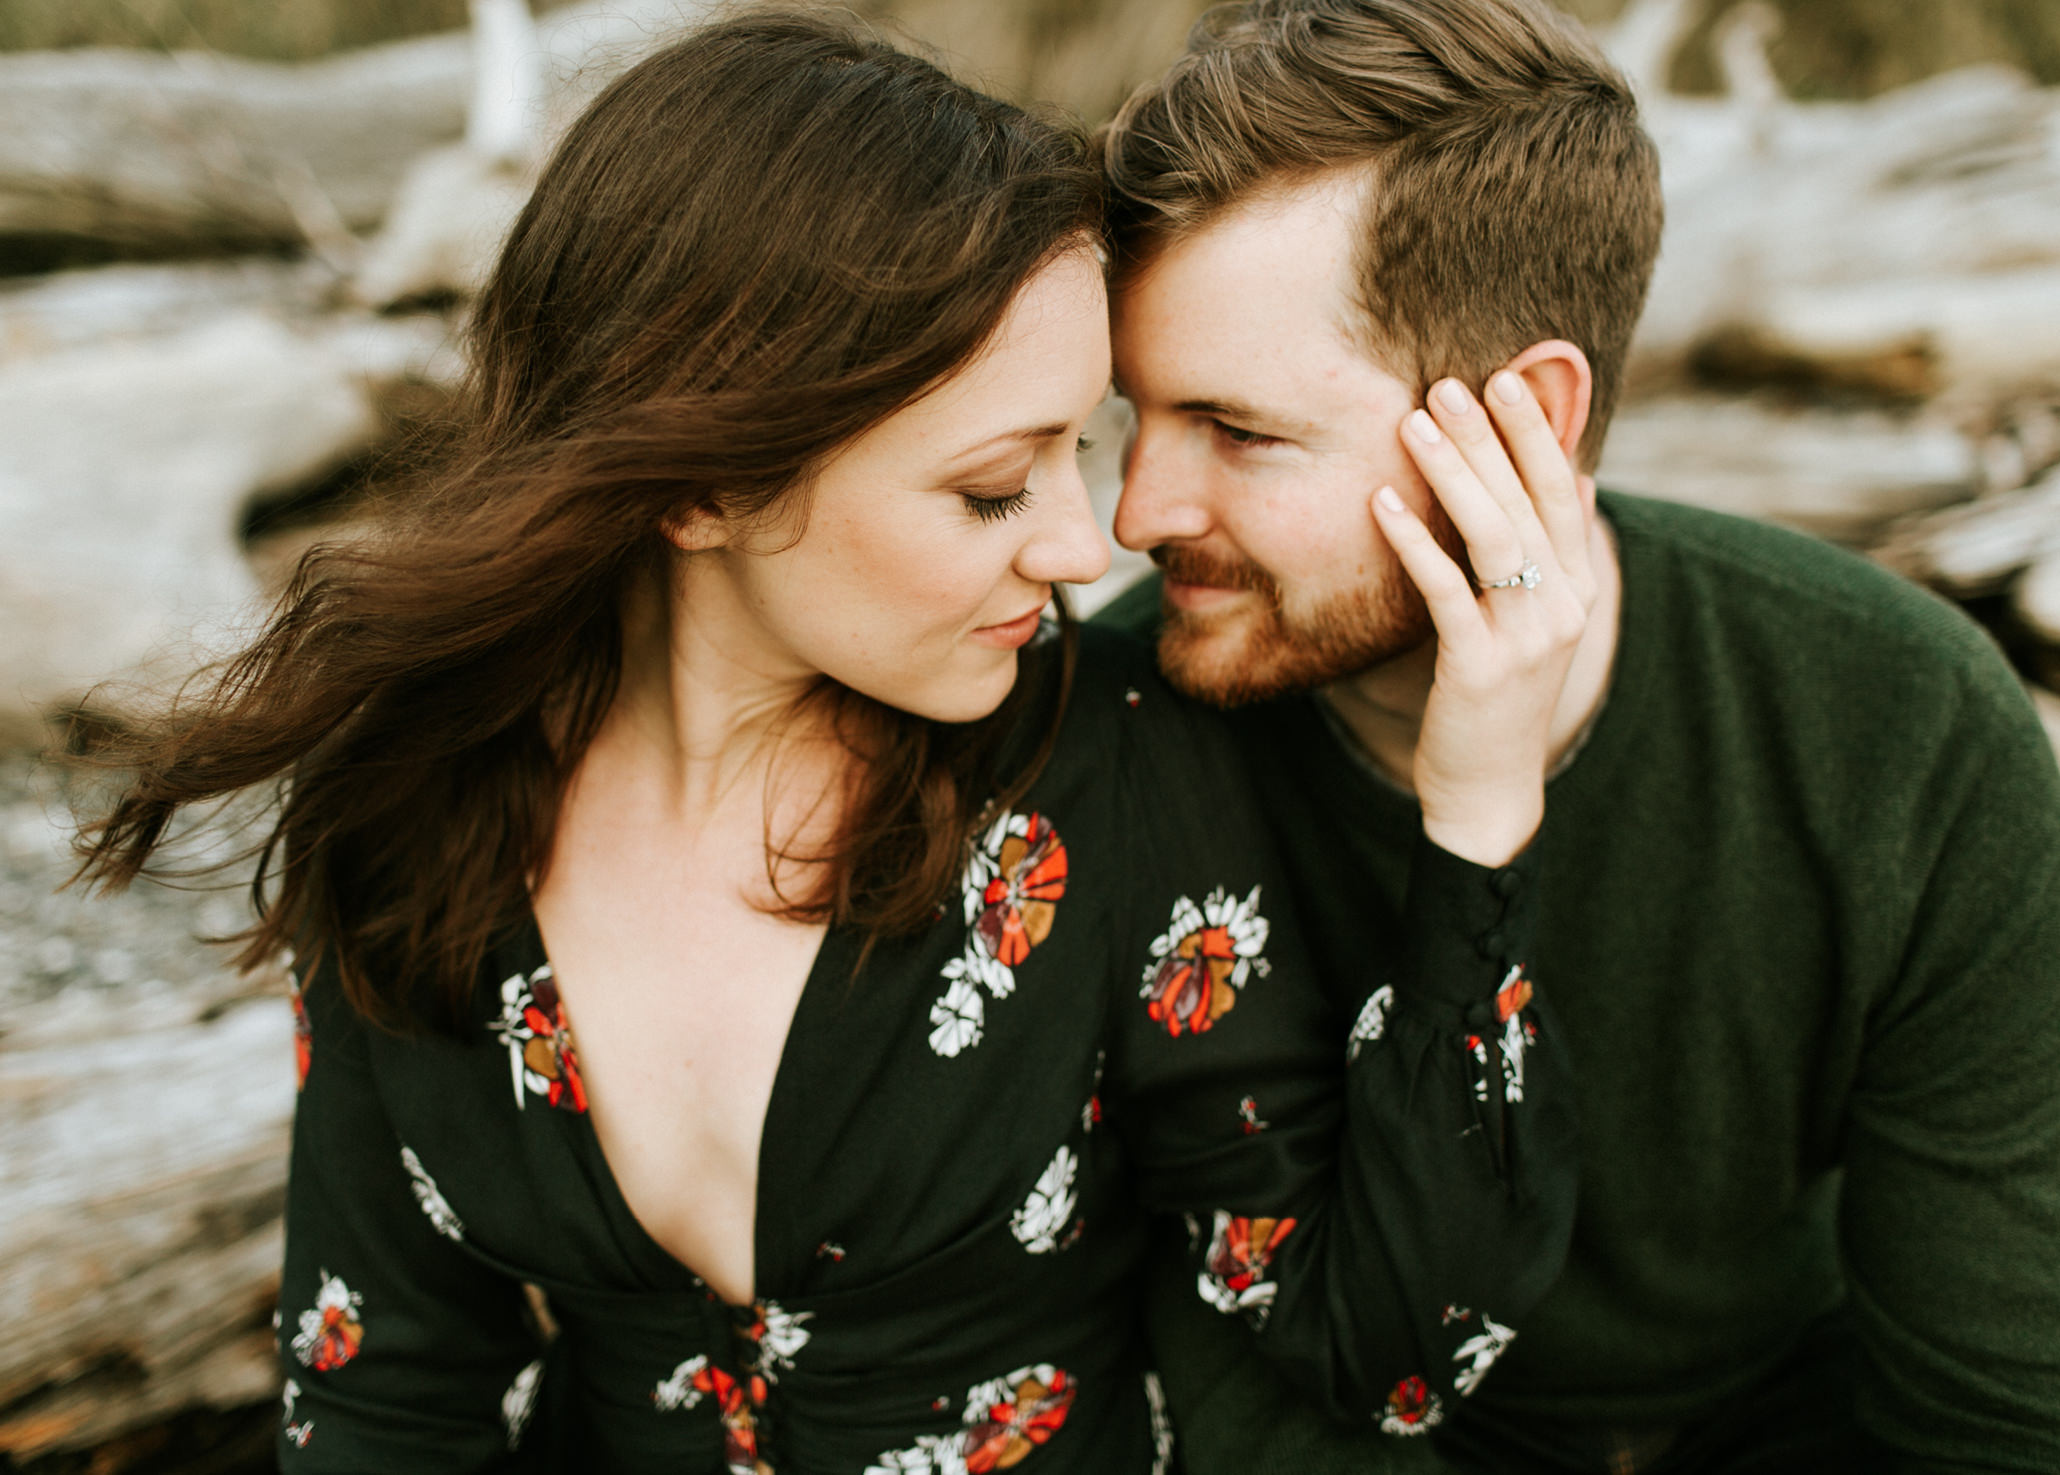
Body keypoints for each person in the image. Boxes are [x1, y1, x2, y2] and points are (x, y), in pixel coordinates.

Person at [72, 14, 1590, 1472]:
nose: (1084, 544)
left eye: (1084, 445)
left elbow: (1392, 1352)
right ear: (704, 491)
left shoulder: (1107, 778)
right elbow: (383, 1392)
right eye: (996, 488)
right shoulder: (410, 806)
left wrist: (1476, 815)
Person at [1092, 0, 2060, 1471]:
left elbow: (1992, 1399)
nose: (1133, 513)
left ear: (1529, 420)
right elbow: (1200, 1358)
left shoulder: (1897, 725)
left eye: (1239, 430)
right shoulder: (1108, 728)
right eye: (1133, 414)